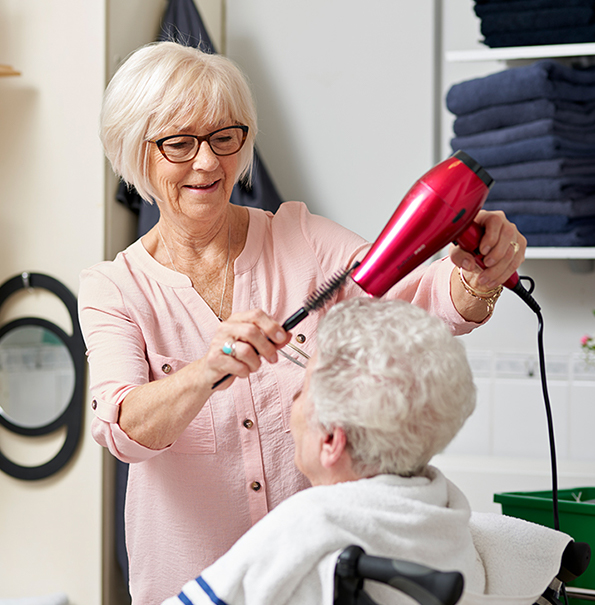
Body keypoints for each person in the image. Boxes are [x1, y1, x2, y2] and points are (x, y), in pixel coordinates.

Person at [78, 41, 527, 605]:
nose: (208, 162)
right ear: (136, 152)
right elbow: (123, 428)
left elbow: (419, 297)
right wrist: (204, 372)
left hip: (313, 584)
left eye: (224, 137)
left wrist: (480, 276)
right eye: (180, 143)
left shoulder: (300, 237)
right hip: (189, 586)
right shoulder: (115, 288)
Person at [162, 298, 572, 605]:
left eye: (301, 391)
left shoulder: (308, 524)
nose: (292, 404)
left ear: (331, 441)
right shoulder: (448, 517)